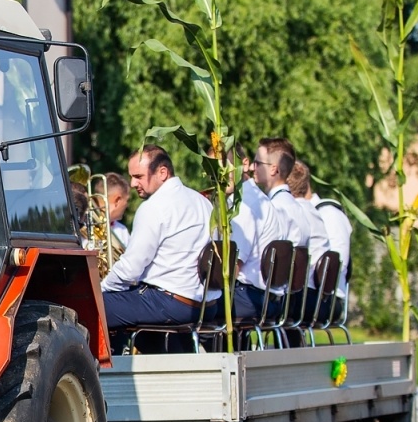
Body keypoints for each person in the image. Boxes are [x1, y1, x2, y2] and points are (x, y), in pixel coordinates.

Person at [101, 145, 212, 330]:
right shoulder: (203, 202)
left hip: (171, 304)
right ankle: (173, 355)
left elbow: (130, 269)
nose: (133, 183)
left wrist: (100, 288)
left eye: (138, 176)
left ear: (162, 172)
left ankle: (112, 358)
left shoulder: (154, 207)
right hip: (206, 306)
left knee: (92, 306)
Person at [237, 137, 311, 318]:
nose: (253, 168)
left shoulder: (273, 208)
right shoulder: (297, 208)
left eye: (257, 163)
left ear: (274, 169)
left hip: (267, 296)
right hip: (282, 297)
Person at [288, 160, 345, 322]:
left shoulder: (325, 212)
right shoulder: (312, 212)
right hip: (315, 296)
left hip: (319, 298)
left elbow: (341, 261)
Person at [104, 172, 131, 250]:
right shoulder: (84, 226)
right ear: (117, 200)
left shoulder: (122, 231)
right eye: (127, 200)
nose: (127, 205)